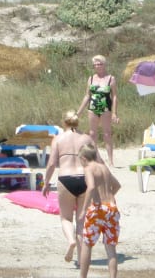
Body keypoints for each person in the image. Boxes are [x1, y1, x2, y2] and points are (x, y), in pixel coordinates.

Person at [42, 110, 103, 265]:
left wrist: (46, 183)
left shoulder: (58, 139)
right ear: (77, 122)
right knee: (81, 220)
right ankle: (82, 259)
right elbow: (99, 161)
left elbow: (51, 164)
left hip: (66, 179)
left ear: (64, 122)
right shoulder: (87, 138)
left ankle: (71, 241)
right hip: (85, 178)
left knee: (66, 218)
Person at [77, 143, 121, 278]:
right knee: (111, 248)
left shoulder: (89, 168)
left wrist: (84, 209)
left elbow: (90, 187)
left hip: (97, 208)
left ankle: (82, 277)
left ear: (84, 158)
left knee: (87, 244)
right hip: (111, 208)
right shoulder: (104, 168)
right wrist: (111, 195)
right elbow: (117, 185)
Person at [77, 55, 119, 166]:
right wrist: (79, 112)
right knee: (92, 134)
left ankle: (110, 160)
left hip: (106, 108)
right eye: (95, 64)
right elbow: (87, 96)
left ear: (104, 65)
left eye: (99, 64)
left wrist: (115, 113)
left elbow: (114, 96)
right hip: (93, 107)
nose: (97, 66)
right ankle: (95, 158)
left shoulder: (111, 78)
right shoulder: (91, 78)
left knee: (107, 133)